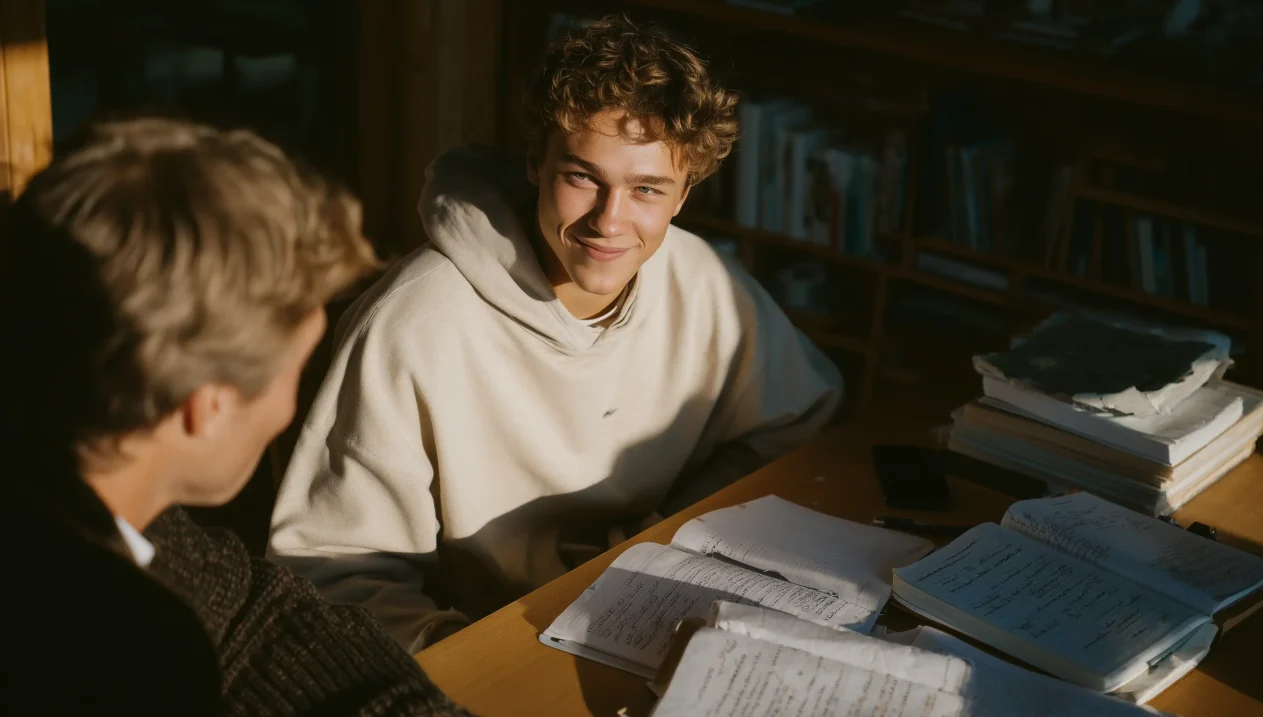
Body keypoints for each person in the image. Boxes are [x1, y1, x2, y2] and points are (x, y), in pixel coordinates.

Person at [269, 14, 844, 652]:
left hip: (650, 618)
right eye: (582, 177)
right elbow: (331, 567)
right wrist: (471, 659)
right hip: (476, 642)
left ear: (684, 196)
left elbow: (798, 421)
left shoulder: (703, 282)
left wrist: (668, 537)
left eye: (646, 188)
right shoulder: (412, 322)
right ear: (535, 165)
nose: (609, 221)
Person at [1, 118, 471, 716]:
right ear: (208, 407)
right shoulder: (111, 657)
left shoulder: (88, 490)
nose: (287, 411)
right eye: (296, 373)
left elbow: (251, 612)